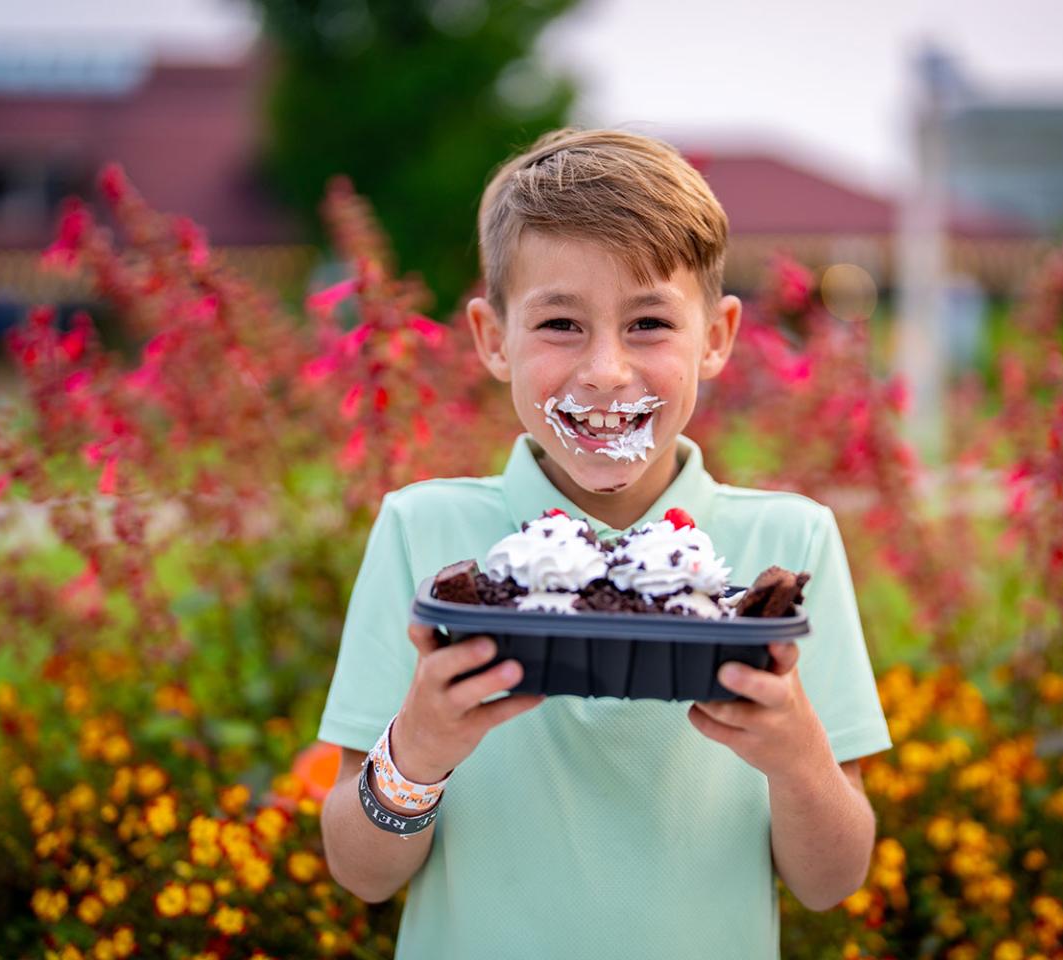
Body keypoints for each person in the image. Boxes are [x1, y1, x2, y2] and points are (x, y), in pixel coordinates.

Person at [316, 127, 892, 959]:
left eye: (650, 322)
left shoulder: (788, 546)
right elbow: (360, 871)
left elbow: (830, 881)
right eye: (559, 324)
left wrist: (800, 760)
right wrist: (418, 751)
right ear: (492, 337)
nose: (606, 371)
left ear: (718, 337)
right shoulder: (423, 535)